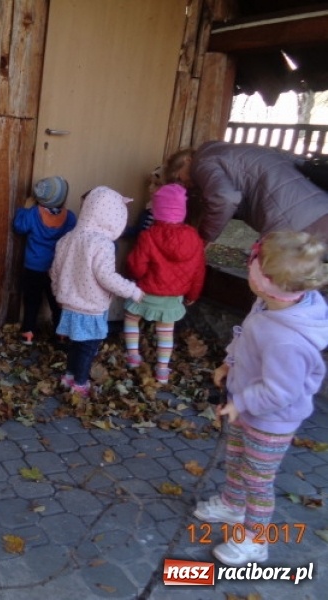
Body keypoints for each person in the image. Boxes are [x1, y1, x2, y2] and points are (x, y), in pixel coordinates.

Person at [193, 231, 328, 566]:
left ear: (264, 281)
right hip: (247, 404)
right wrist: (229, 362)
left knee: (258, 478)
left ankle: (255, 539)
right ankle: (232, 505)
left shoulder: (288, 341)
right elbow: (246, 338)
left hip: (271, 420)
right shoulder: (270, 303)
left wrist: (241, 403)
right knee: (237, 459)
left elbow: (280, 391)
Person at [49, 186, 144, 396]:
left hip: (69, 304)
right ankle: (80, 384)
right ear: (112, 217)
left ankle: (69, 376)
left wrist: (58, 293)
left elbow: (54, 271)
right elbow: (106, 277)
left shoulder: (67, 238)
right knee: (87, 348)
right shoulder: (102, 244)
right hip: (90, 307)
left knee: (75, 344)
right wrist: (132, 291)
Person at [123, 183, 206, 384]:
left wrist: (132, 276)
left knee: (131, 318)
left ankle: (133, 356)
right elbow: (198, 270)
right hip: (173, 297)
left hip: (146, 292)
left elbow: (137, 267)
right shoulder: (194, 238)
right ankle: (162, 369)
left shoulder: (148, 235)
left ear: (157, 211)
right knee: (166, 331)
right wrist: (193, 295)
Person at [166, 141, 328, 243]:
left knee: (277, 284)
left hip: (292, 223)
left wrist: (205, 237)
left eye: (178, 177)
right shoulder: (232, 151)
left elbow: (225, 198)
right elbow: (288, 157)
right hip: (320, 208)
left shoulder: (201, 163)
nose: (182, 185)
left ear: (187, 161)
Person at [12, 176, 77, 345]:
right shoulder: (69, 218)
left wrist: (23, 210)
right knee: (57, 303)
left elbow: (19, 226)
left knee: (31, 301)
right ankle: (61, 334)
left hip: (33, 267)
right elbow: (73, 238)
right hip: (56, 269)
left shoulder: (33, 213)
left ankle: (28, 333)